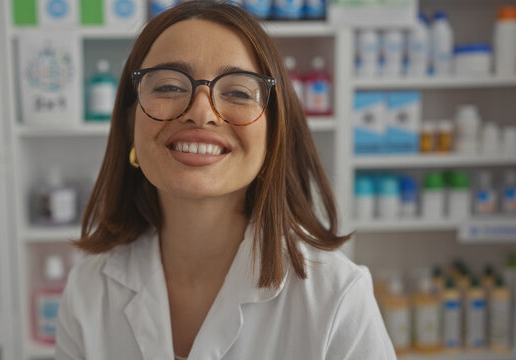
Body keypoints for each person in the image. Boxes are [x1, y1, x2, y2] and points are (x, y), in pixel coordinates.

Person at [55, 1, 395, 359]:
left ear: (274, 135)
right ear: (129, 126)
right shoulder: (89, 290)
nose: (201, 112)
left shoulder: (338, 299)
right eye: (169, 87)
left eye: (237, 92)